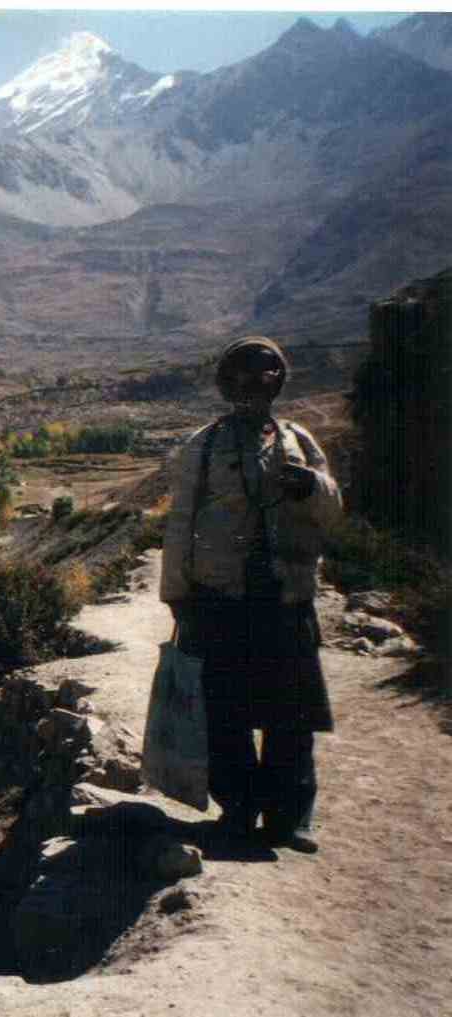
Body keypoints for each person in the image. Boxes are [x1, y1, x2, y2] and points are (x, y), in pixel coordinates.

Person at [159, 336, 341, 853]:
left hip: (286, 597)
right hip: (219, 598)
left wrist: (313, 487)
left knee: (292, 712)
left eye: (264, 377)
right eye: (240, 378)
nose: (252, 387)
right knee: (225, 713)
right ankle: (238, 811)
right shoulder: (205, 444)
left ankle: (291, 816)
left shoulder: (300, 441)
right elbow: (180, 522)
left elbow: (333, 510)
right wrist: (177, 593)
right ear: (225, 385)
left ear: (278, 382)